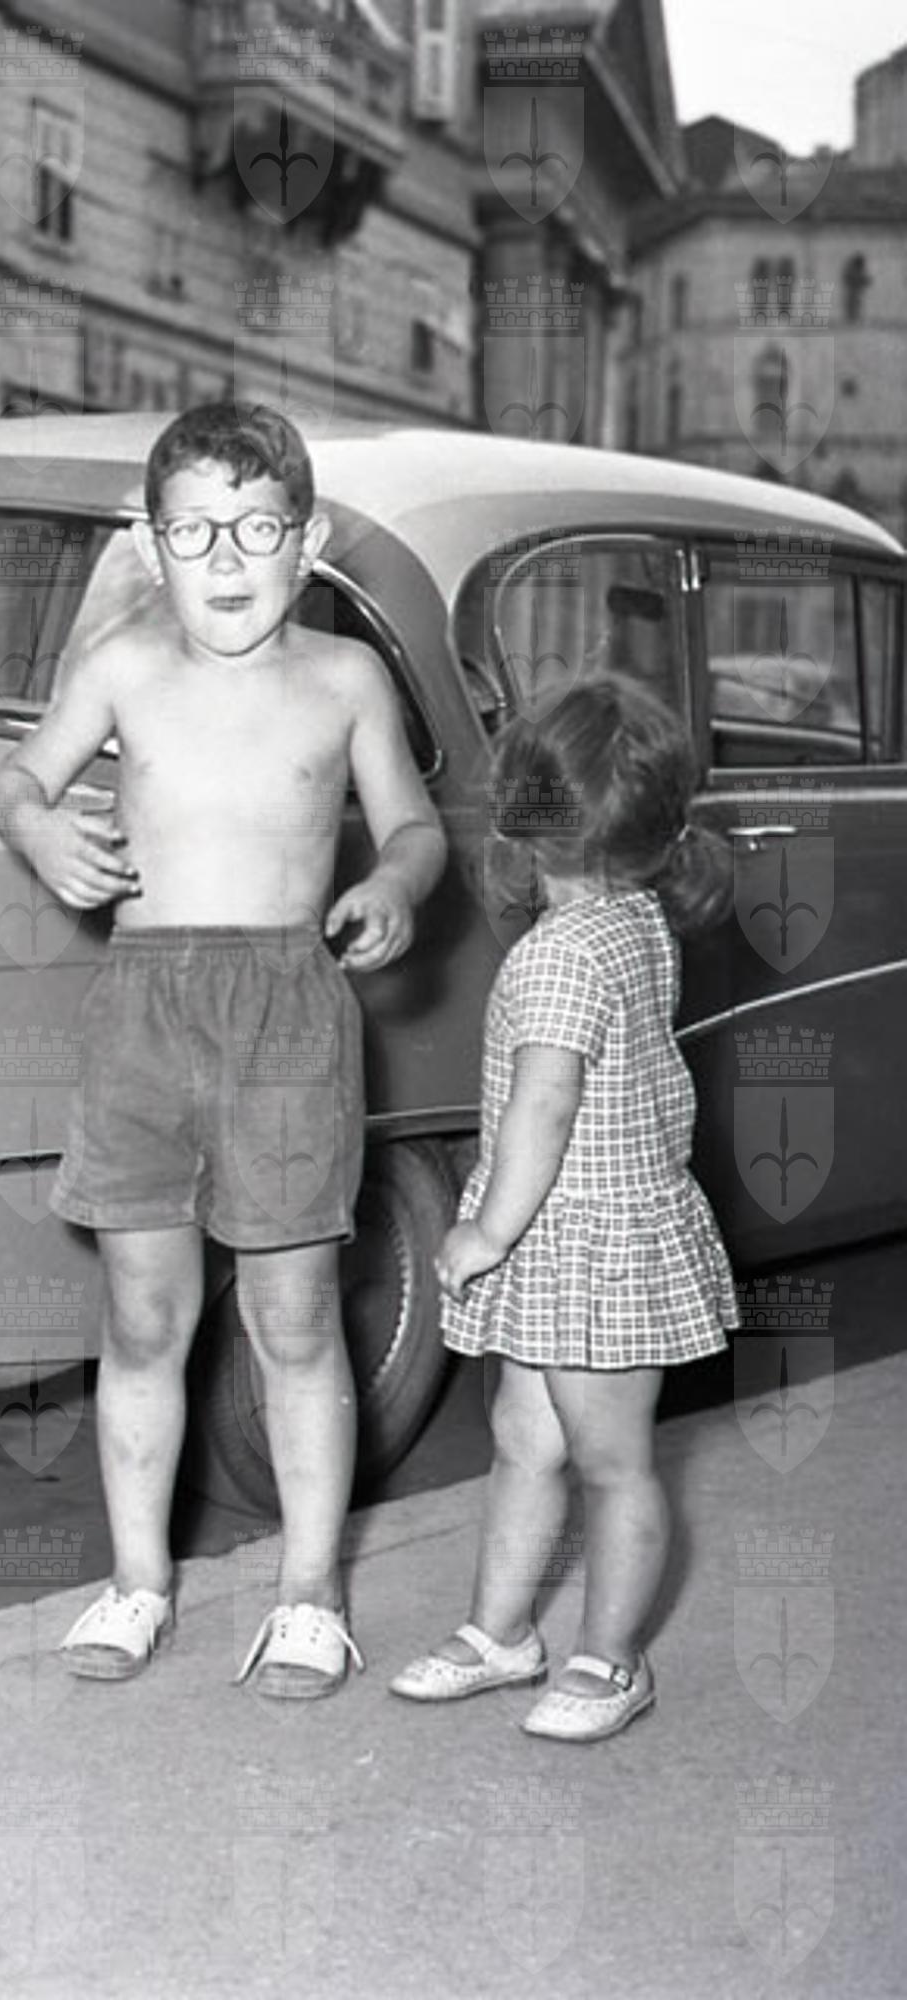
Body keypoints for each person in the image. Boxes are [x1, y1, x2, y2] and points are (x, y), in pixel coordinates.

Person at [0, 403, 446, 1696]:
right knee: (142, 1317)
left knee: (294, 1318)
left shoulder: (344, 682)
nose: (226, 557)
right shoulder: (121, 666)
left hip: (288, 1010)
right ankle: (138, 1580)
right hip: (142, 1011)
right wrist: (38, 831)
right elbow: (13, 781)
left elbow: (414, 828)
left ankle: (310, 1593)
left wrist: (395, 884)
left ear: (306, 540)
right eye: (193, 531)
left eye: (256, 528)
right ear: (151, 545)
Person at [389, 674, 736, 1741]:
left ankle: (610, 1659)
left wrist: (483, 1228)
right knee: (524, 1436)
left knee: (609, 1461)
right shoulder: (634, 917)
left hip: (588, 1242)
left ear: (517, 815)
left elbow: (540, 1107)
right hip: (580, 1238)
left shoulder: (555, 957)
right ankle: (501, 1632)